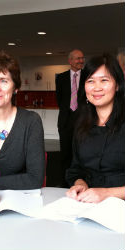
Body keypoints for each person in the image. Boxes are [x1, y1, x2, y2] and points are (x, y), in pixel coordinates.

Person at [0, 51, 45, 209]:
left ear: (16, 87)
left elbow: (35, 178)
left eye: (3, 81)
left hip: (21, 206)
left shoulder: (30, 121)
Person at [66, 53, 125, 203]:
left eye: (104, 80)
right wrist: (80, 184)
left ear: (117, 85)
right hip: (87, 206)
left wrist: (106, 193)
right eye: (90, 81)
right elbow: (75, 169)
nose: (96, 87)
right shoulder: (81, 124)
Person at [55, 49, 85, 187]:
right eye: (78, 58)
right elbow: (59, 99)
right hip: (65, 121)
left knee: (81, 152)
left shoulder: (88, 75)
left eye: (82, 58)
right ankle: (64, 181)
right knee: (65, 153)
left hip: (83, 120)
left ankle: (81, 180)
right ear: (70, 61)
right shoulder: (60, 77)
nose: (81, 61)